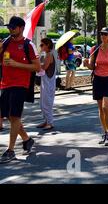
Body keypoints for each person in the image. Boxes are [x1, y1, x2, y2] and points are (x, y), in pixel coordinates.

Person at [0, 16, 40, 164]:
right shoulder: (6, 43)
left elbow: (37, 67)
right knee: (9, 116)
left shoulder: (28, 45)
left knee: (15, 116)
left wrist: (16, 64)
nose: (10, 29)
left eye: (13, 27)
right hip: (5, 84)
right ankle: (27, 139)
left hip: (21, 84)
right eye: (9, 27)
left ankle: (10, 150)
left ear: (21, 28)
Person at [83, 27, 108, 147]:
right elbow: (92, 67)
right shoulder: (95, 49)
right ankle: (105, 132)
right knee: (100, 108)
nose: (103, 36)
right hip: (98, 79)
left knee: (105, 106)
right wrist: (86, 63)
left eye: (105, 34)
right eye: (101, 34)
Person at [36, 38, 57, 131]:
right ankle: (46, 120)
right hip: (46, 81)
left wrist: (37, 64)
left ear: (47, 45)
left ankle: (50, 122)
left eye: (42, 45)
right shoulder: (46, 54)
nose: (41, 47)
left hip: (48, 82)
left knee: (46, 102)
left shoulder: (49, 55)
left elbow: (44, 67)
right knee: (43, 102)